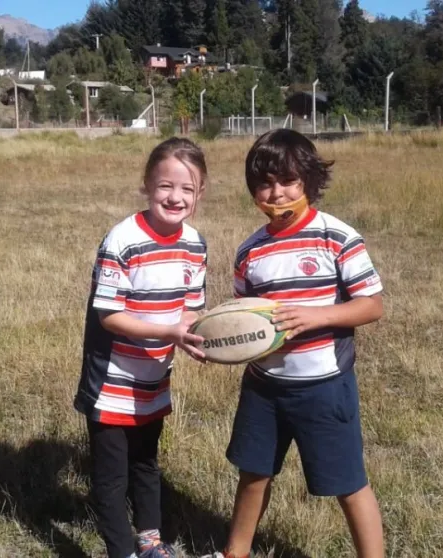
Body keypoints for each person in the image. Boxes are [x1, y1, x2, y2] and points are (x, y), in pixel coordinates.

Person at [208, 129, 386, 558]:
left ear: (307, 180)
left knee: (348, 483)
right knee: (253, 473)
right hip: (264, 387)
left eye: (288, 181)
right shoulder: (250, 250)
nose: (278, 193)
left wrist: (317, 316)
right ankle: (236, 553)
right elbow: (243, 320)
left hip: (323, 387)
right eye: (266, 184)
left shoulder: (336, 236)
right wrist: (223, 343)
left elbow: (372, 305)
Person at [74, 137, 209, 558]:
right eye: (166, 185)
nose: (175, 197)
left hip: (154, 377)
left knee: (147, 464)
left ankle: (151, 542)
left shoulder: (195, 244)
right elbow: (109, 316)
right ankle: (122, 552)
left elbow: (191, 309)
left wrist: (197, 334)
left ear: (200, 193)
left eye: (187, 189)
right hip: (112, 380)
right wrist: (171, 332)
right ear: (147, 184)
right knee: (111, 478)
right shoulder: (123, 239)